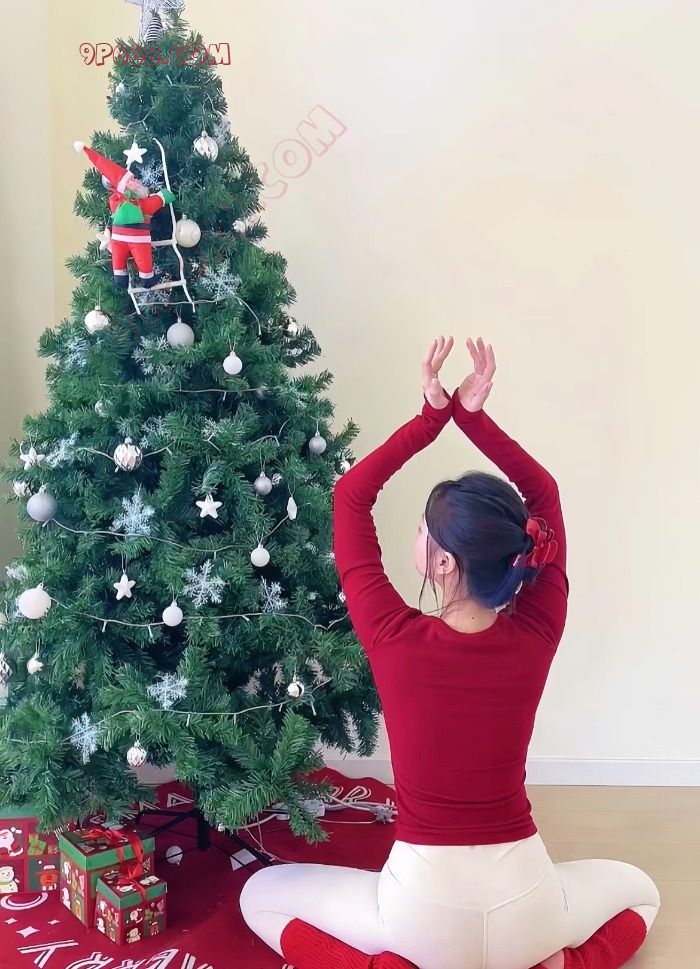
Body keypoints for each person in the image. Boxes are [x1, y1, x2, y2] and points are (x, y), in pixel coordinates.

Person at [240, 336, 660, 969]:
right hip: (527, 907)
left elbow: (351, 496)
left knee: (260, 896)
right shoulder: (539, 628)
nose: (419, 535)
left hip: (419, 915)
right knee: (642, 891)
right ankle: (560, 965)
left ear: (441, 563)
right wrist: (474, 418)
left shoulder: (392, 636)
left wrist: (433, 417)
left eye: (424, 530)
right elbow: (544, 495)